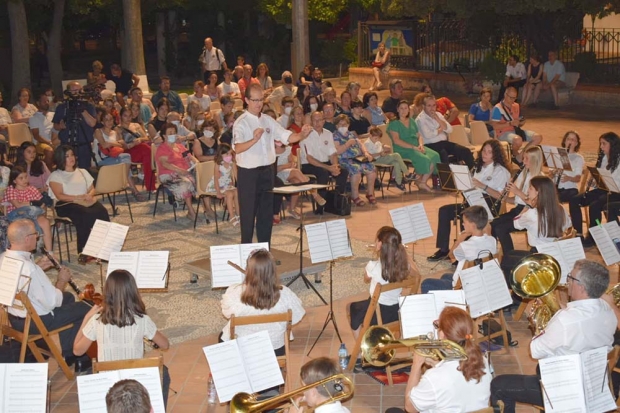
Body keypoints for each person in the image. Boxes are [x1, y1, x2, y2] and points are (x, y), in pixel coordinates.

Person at [491, 259, 616, 413]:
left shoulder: (564, 320)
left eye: (571, 277)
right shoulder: (608, 310)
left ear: (582, 287)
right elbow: (579, 323)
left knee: (499, 385)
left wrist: (543, 326)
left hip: (566, 391)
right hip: (594, 382)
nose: (567, 281)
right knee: (540, 367)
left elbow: (535, 351)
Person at [73, 269, 171, 408]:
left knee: (89, 374)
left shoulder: (96, 320)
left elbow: (77, 350)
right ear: (133, 292)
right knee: (164, 372)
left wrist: (86, 318)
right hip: (134, 379)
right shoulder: (142, 320)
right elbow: (165, 345)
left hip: (107, 380)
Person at [2, 219, 91, 369]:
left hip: (15, 318)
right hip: (36, 322)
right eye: (35, 234)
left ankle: (67, 350)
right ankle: (75, 354)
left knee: (68, 298)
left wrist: (39, 267)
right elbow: (52, 302)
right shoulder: (30, 269)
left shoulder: (4, 258)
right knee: (87, 307)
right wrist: (61, 281)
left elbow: (22, 280)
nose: (38, 236)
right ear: (27, 238)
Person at [233, 84, 311, 243]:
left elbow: (287, 137)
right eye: (254, 100)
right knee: (248, 214)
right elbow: (238, 148)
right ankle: (245, 250)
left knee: (266, 214)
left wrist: (302, 134)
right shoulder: (241, 122)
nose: (258, 103)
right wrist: (254, 140)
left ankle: (264, 250)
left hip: (268, 170)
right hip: (248, 173)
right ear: (246, 100)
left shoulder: (268, 120)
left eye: (261, 99)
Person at [428, 139, 510, 261]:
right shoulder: (477, 167)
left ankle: (464, 254)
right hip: (472, 201)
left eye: (489, 152)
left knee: (466, 215)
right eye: (484, 151)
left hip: (488, 205)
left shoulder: (501, 171)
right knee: (444, 211)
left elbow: (501, 197)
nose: (484, 154)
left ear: (496, 155)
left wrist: (483, 186)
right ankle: (443, 249)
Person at [399, 307, 492, 413]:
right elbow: (456, 377)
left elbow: (409, 407)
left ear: (442, 334)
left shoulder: (433, 377)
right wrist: (438, 365)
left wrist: (416, 365)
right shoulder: (482, 361)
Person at [220, 249, 305, 354]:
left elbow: (226, 313)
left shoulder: (234, 292)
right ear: (273, 271)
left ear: (248, 270)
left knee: (223, 335)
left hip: (242, 349)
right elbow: (297, 316)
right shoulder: (285, 294)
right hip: (275, 349)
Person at [500, 176, 571, 282]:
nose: (528, 190)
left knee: (505, 261)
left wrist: (527, 207)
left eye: (530, 188)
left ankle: (519, 293)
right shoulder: (561, 209)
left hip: (538, 255)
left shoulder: (532, 214)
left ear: (538, 192)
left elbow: (516, 223)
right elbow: (568, 225)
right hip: (555, 252)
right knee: (510, 254)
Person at [348, 226, 415, 337]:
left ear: (379, 245)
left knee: (352, 308)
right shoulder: (405, 266)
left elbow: (366, 279)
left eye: (377, 240)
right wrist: (404, 254)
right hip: (396, 312)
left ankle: (360, 350)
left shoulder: (373, 266)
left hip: (377, 314)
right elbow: (416, 274)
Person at [48, 145, 110, 261]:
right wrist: (77, 198)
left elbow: (92, 188)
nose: (71, 158)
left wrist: (89, 195)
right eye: (67, 156)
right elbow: (59, 195)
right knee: (83, 214)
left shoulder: (82, 171)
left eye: (72, 155)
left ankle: (104, 247)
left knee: (102, 211)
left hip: (84, 200)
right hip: (66, 204)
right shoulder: (56, 175)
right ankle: (85, 250)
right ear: (61, 158)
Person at [422, 206, 497, 292]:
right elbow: (488, 234)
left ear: (472, 225)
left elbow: (451, 255)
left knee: (426, 283)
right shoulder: (492, 240)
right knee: (445, 276)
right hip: (480, 280)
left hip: (462, 286)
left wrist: (461, 237)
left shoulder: (465, 246)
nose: (462, 224)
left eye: (464, 222)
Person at [569, 132, 620, 246]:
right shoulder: (603, 158)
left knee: (594, 206)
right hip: (605, 190)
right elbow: (601, 178)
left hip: (616, 192)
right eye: (600, 144)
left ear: (613, 144)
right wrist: (596, 181)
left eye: (604, 144)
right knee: (574, 200)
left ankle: (593, 237)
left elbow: (617, 183)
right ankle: (579, 234)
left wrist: (604, 181)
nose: (601, 147)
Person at [490, 146, 543, 253]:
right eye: (523, 158)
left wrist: (517, 191)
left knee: (501, 228)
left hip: (531, 214)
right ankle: (493, 251)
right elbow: (517, 200)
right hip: (518, 209)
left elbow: (534, 204)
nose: (524, 161)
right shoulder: (523, 174)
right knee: (493, 224)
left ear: (535, 160)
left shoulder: (540, 179)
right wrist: (505, 198)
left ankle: (509, 255)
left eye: (527, 159)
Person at [299, 111, 349, 215]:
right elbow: (310, 159)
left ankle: (336, 200)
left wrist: (335, 166)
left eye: (320, 120)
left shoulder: (328, 133)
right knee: (323, 173)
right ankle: (320, 206)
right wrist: (329, 168)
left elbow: (333, 153)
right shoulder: (306, 135)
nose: (317, 123)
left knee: (343, 171)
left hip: (325, 163)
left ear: (324, 121)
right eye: (315, 120)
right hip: (309, 165)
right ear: (311, 121)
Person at [387, 100, 440, 192]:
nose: (404, 110)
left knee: (435, 155)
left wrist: (421, 145)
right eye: (401, 108)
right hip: (403, 149)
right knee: (424, 159)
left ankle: (422, 182)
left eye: (405, 108)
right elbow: (396, 141)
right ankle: (419, 180)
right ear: (397, 110)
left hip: (416, 146)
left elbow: (419, 135)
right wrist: (414, 148)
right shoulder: (394, 123)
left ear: (408, 110)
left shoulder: (411, 121)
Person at [93, 110, 145, 200]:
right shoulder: (98, 131)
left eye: (111, 119)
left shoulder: (114, 132)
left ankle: (129, 185)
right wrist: (116, 143)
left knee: (126, 158)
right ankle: (133, 189)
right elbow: (104, 145)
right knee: (125, 160)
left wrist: (112, 143)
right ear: (102, 122)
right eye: (106, 120)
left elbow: (123, 146)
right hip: (102, 160)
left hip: (114, 157)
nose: (109, 122)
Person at [2, 166, 54, 252]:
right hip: (17, 216)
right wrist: (31, 202)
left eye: (26, 177)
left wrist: (42, 214)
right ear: (14, 180)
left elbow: (42, 205)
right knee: (28, 225)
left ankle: (49, 252)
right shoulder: (11, 190)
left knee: (45, 222)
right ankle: (28, 249)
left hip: (34, 214)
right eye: (21, 178)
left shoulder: (32, 189)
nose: (25, 180)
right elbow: (17, 205)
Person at [416, 94, 474, 169]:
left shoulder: (438, 115)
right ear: (424, 107)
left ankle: (472, 174)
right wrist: (441, 128)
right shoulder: (420, 119)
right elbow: (428, 135)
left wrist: (438, 120)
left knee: (465, 151)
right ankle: (445, 179)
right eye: (429, 106)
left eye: (434, 105)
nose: (432, 108)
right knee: (444, 156)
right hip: (430, 145)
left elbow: (450, 129)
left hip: (443, 143)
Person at [155, 123, 198, 220]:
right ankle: (191, 211)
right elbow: (165, 164)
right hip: (169, 174)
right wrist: (179, 170)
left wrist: (196, 162)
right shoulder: (162, 148)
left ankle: (207, 209)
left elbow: (190, 157)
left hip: (185, 173)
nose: (173, 135)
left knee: (201, 179)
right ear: (164, 136)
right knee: (187, 183)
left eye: (174, 133)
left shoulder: (180, 146)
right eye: (170, 133)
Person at [333, 114, 377, 206]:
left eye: (345, 124)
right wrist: (347, 144)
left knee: (372, 169)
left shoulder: (351, 134)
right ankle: (355, 196)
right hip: (345, 160)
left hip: (358, 158)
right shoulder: (335, 136)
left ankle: (370, 193)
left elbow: (361, 144)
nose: (343, 126)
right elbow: (337, 151)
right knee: (356, 171)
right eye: (340, 125)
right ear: (336, 125)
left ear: (348, 125)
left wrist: (366, 153)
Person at [52, 81, 98, 170]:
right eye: (74, 91)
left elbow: (92, 123)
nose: (77, 93)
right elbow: (55, 126)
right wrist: (60, 126)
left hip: (84, 146)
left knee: (84, 171)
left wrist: (82, 109)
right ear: (68, 92)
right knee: (66, 170)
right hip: (67, 145)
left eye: (79, 90)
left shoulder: (88, 106)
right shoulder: (62, 107)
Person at [491, 87, 543, 163]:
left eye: (514, 98)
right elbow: (495, 126)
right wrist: (510, 123)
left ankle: (520, 156)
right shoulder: (498, 108)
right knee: (518, 140)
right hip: (502, 133)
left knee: (538, 137)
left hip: (516, 130)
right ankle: (516, 155)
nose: (512, 100)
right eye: (510, 97)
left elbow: (519, 121)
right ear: (505, 95)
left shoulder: (516, 106)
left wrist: (520, 122)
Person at [116, 107, 156, 192]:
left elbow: (146, 137)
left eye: (130, 116)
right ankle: (150, 184)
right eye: (125, 116)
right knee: (148, 151)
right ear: (121, 116)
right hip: (129, 152)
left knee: (147, 150)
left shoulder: (136, 125)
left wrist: (140, 139)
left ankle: (148, 181)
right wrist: (133, 144)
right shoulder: (118, 129)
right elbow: (122, 146)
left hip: (142, 148)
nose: (128, 118)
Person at [364, 126, 413, 191]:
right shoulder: (367, 143)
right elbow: (369, 155)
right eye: (376, 138)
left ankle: (398, 182)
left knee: (396, 163)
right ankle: (407, 173)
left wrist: (386, 149)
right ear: (370, 135)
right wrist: (380, 154)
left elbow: (381, 146)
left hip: (381, 158)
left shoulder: (377, 142)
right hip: (374, 160)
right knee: (396, 155)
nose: (377, 140)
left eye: (378, 138)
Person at [206, 144, 239, 226]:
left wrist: (242, 187)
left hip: (227, 184)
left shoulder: (232, 163)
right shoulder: (218, 164)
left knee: (237, 192)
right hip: (216, 186)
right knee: (230, 193)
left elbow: (236, 176)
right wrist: (218, 192)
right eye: (226, 154)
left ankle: (239, 214)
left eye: (230, 153)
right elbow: (216, 179)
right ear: (221, 154)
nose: (229, 156)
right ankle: (232, 216)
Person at [15, 141, 52, 206]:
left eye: (34, 152)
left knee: (49, 198)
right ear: (22, 153)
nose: (32, 154)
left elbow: (50, 179)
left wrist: (45, 188)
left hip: (43, 192)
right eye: (29, 152)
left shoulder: (40, 164)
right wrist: (39, 190)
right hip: (27, 194)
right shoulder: (18, 168)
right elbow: (18, 187)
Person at [554, 130, 584, 203]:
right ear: (564, 141)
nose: (570, 141)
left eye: (573, 140)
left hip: (569, 188)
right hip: (555, 188)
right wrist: (554, 172)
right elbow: (550, 175)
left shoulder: (578, 158)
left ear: (576, 143)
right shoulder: (557, 154)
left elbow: (578, 178)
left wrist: (569, 178)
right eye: (568, 139)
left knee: (571, 195)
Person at [28, 91, 55, 169]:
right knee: (49, 151)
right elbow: (36, 136)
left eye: (47, 101)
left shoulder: (53, 114)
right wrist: (49, 142)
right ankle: (47, 173)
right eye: (44, 101)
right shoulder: (33, 118)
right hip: (41, 143)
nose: (46, 103)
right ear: (38, 103)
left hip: (54, 140)